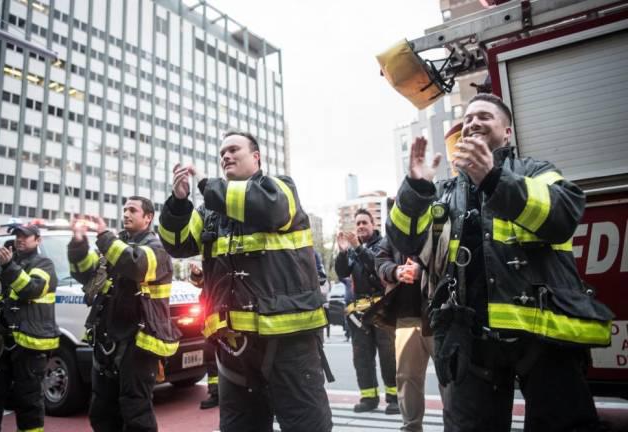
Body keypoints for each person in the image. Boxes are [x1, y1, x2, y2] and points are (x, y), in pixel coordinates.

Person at [387, 93, 613, 432]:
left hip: (543, 337)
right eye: (467, 120)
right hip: (470, 342)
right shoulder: (445, 192)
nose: (472, 123)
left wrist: (493, 179)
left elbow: (563, 216)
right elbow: (406, 240)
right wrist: (417, 189)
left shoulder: (536, 172)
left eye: (484, 117)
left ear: (507, 132)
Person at [159, 131, 333, 432]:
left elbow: (267, 208)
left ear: (256, 157)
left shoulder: (279, 189)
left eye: (233, 149)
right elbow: (177, 243)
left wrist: (205, 185)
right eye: (222, 152)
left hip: (289, 345)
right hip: (233, 348)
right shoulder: (210, 212)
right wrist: (178, 203)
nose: (225, 156)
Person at [68, 197, 180, 432]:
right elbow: (88, 275)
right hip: (108, 339)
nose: (126, 214)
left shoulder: (157, 249)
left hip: (138, 342)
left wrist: (105, 237)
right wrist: (78, 244)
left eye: (133, 210)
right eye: (125, 209)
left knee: (135, 410)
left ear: (148, 218)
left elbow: (135, 266)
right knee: (102, 410)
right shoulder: (116, 245)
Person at [0, 224, 59, 432]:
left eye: (26, 236)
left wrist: (9, 267)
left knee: (28, 403)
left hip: (29, 347)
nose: (20, 239)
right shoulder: (3, 265)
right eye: (17, 236)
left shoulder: (43, 264)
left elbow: (32, 289)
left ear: (37, 240)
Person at [335, 209, 398, 414]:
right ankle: (369, 397)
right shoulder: (353, 250)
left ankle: (394, 398)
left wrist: (357, 247)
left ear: (373, 225)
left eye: (364, 222)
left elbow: (376, 266)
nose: (361, 226)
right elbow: (342, 272)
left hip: (382, 310)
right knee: (361, 358)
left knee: (388, 355)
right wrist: (343, 252)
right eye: (358, 223)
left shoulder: (384, 245)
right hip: (359, 315)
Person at [376, 237, 442, 431]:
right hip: (406, 315)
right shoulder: (392, 233)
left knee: (450, 378)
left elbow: (449, 259)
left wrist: (420, 271)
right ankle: (411, 427)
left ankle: (455, 425)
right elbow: (380, 262)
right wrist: (396, 271)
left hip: (439, 315)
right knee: (407, 377)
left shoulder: (437, 221)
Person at [188, 261, 219, 410]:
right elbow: (201, 283)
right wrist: (197, 274)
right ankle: (216, 393)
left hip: (221, 318)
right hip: (210, 319)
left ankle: (223, 393)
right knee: (211, 357)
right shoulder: (213, 265)